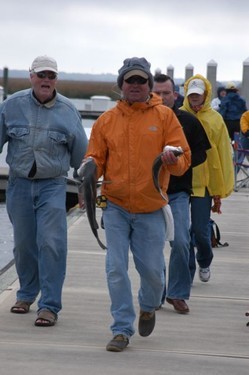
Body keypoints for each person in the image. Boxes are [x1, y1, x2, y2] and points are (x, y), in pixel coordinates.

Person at [82, 57, 191, 352]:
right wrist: (90, 167)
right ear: (121, 84)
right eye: (130, 80)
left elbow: (184, 159)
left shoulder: (166, 117)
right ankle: (121, 329)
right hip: (115, 206)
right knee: (116, 268)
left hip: (151, 207)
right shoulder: (106, 120)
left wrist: (174, 158)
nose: (135, 85)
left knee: (154, 274)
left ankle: (148, 305)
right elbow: (96, 159)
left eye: (141, 80)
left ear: (149, 85)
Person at [0, 55, 88, 326]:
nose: (46, 80)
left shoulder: (68, 111)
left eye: (51, 76)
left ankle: (49, 305)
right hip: (18, 184)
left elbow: (81, 159)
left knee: (52, 243)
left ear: (56, 80)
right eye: (41, 75)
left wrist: (85, 189)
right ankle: (26, 294)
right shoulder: (10, 106)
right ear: (31, 77)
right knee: (25, 244)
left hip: (53, 185)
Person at [153, 74, 211, 314]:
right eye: (157, 93)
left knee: (181, 242)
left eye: (166, 93)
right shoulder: (142, 119)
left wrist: (180, 162)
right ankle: (155, 292)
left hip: (177, 191)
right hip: (151, 192)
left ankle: (177, 293)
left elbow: (202, 153)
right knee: (153, 245)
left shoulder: (187, 120)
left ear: (175, 95)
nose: (162, 97)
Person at [181, 75, 234, 283]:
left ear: (205, 94)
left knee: (200, 231)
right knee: (181, 233)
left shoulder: (215, 119)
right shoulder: (178, 116)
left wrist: (221, 184)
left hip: (204, 184)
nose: (195, 98)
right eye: (191, 94)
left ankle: (204, 260)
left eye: (198, 94)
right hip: (181, 181)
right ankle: (188, 270)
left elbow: (223, 152)